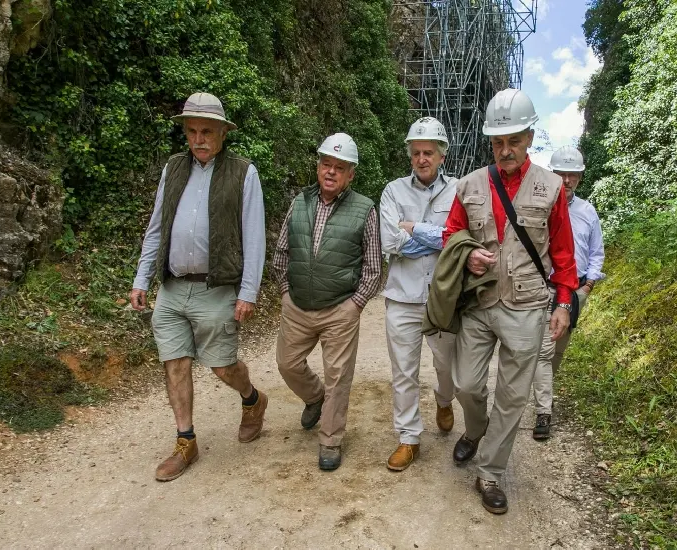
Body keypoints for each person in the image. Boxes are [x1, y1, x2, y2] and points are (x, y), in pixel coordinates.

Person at [442, 88, 579, 514]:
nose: (505, 150)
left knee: (513, 395)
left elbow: (563, 253)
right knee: (465, 383)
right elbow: (451, 236)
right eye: (498, 142)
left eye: (513, 141)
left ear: (529, 137)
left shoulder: (552, 187)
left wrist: (563, 304)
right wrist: (469, 255)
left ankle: (491, 473)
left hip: (528, 306)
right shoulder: (469, 186)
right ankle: (475, 428)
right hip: (480, 304)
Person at [130, 92, 268, 482]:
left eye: (207, 130)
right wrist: (142, 279)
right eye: (191, 131)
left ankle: (252, 399)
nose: (198, 138)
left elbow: (254, 237)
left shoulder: (244, 173)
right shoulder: (173, 169)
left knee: (224, 368)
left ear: (223, 133)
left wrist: (248, 292)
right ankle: (185, 440)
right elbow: (157, 227)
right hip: (173, 288)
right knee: (175, 362)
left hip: (218, 288)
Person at [273, 133, 382, 471]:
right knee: (287, 364)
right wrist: (285, 293)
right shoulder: (300, 202)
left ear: (351, 174)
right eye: (326, 164)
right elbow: (281, 252)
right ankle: (314, 398)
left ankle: (331, 440)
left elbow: (374, 266)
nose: (331, 172)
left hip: (340, 310)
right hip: (298, 306)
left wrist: (356, 304)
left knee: (339, 377)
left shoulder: (364, 208)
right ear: (318, 166)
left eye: (340, 167)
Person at [379, 117, 459, 472]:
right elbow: (390, 242)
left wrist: (414, 229)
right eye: (416, 152)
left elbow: (458, 239)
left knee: (447, 367)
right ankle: (408, 437)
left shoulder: (459, 190)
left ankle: (445, 400)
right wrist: (437, 236)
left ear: (441, 156)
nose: (422, 158)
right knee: (404, 372)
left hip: (443, 298)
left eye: (429, 152)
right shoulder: (393, 191)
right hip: (403, 297)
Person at [531, 145, 605, 440]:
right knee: (545, 351)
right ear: (552, 174)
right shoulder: (542, 208)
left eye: (571, 174)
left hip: (577, 291)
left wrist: (588, 285)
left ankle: (542, 394)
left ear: (579, 177)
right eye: (560, 173)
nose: (565, 179)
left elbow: (597, 252)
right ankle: (543, 413)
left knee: (559, 350)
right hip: (548, 288)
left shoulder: (588, 212)